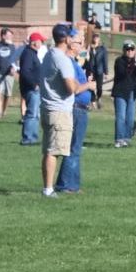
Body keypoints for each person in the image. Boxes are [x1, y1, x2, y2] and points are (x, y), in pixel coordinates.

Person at [37, 24, 77, 196]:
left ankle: (47, 187)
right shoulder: (62, 59)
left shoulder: (49, 54)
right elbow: (70, 87)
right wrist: (85, 85)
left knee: (48, 151)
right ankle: (48, 189)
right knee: (54, 152)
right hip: (59, 111)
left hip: (47, 108)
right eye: (71, 36)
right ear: (67, 39)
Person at [54, 45, 93, 193]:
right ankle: (66, 185)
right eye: (79, 42)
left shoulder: (74, 63)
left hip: (80, 108)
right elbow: (75, 88)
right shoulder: (69, 63)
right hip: (76, 108)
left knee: (75, 148)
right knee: (73, 148)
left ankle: (73, 185)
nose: (83, 46)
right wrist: (89, 85)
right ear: (72, 45)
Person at [111, 38, 136, 146]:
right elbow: (122, 73)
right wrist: (133, 65)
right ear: (123, 50)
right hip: (120, 92)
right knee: (121, 117)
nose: (129, 51)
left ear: (135, 50)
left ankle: (127, 139)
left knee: (130, 117)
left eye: (132, 49)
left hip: (132, 92)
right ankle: (119, 139)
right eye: (127, 49)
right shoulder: (119, 61)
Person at [18, 30, 45, 144]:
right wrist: (34, 84)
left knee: (36, 114)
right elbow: (25, 71)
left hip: (33, 89)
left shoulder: (31, 53)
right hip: (31, 89)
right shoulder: (28, 54)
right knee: (32, 113)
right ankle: (28, 138)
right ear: (34, 42)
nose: (41, 44)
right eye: (40, 41)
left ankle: (32, 137)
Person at [0, 26, 18, 118]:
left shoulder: (12, 46)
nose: (10, 38)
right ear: (3, 36)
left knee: (7, 95)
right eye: (9, 36)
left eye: (11, 36)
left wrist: (14, 69)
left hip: (9, 74)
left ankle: (4, 111)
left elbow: (16, 60)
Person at [86, 27, 107, 111]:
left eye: (97, 37)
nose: (95, 38)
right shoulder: (89, 48)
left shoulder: (102, 49)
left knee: (99, 87)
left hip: (99, 70)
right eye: (94, 37)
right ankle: (93, 100)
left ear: (99, 38)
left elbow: (105, 60)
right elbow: (86, 58)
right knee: (90, 86)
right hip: (91, 70)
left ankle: (99, 98)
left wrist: (106, 72)